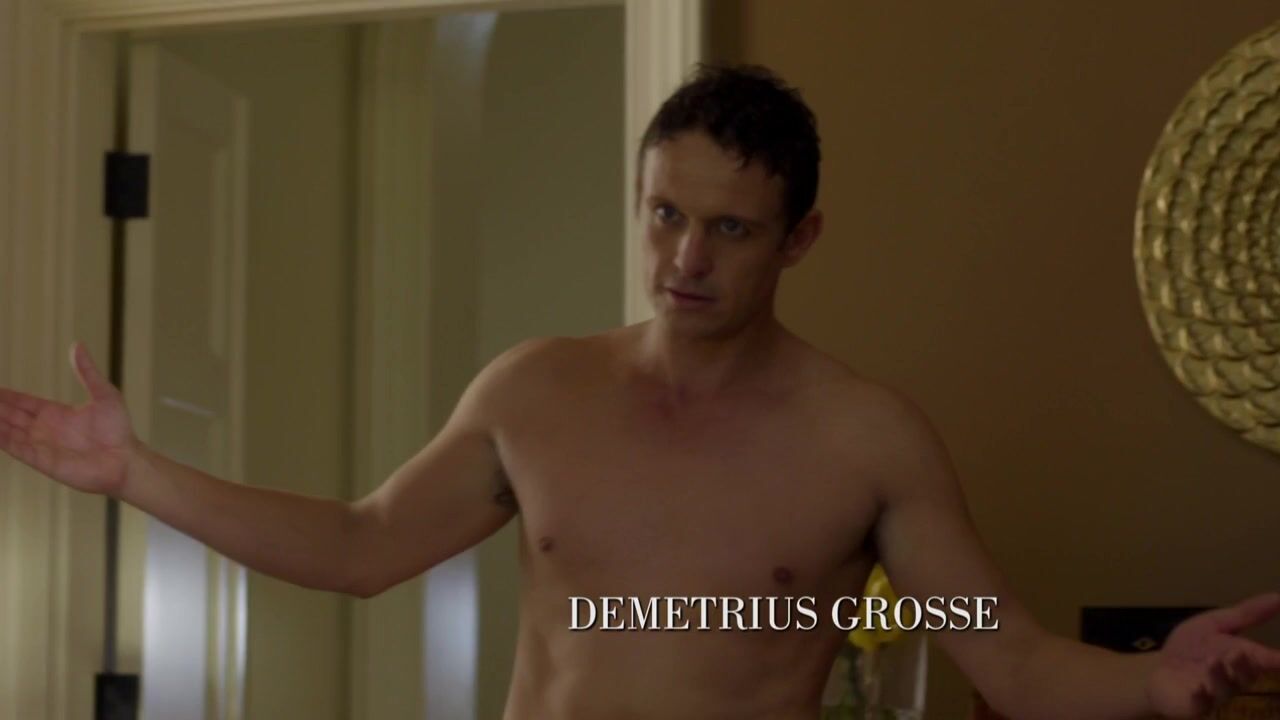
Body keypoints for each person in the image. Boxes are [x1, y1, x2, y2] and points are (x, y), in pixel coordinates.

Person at [1, 63, 1277, 720]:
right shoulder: (534, 391)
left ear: (800, 238)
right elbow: (358, 544)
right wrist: (134, 473)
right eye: (664, 213)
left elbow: (1011, 662)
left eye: (729, 228)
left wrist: (1149, 684)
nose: (684, 260)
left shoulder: (866, 440)